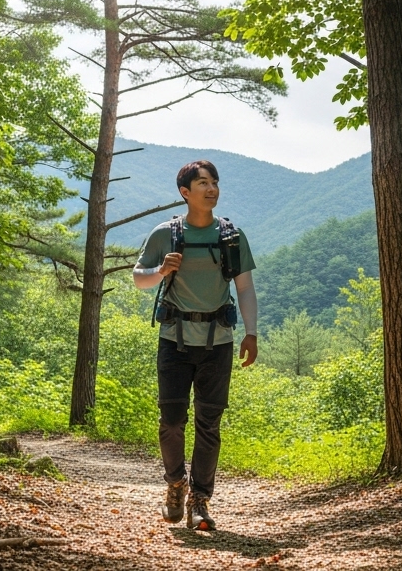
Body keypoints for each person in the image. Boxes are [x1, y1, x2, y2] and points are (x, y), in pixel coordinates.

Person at [133, 160, 257, 532]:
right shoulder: (165, 234)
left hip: (218, 342)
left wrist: (251, 333)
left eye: (215, 182)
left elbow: (245, 288)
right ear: (185, 192)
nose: (212, 188)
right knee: (171, 422)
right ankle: (175, 484)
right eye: (203, 183)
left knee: (209, 424)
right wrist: (161, 271)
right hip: (174, 341)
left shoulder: (231, 237)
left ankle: (200, 501)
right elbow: (139, 279)